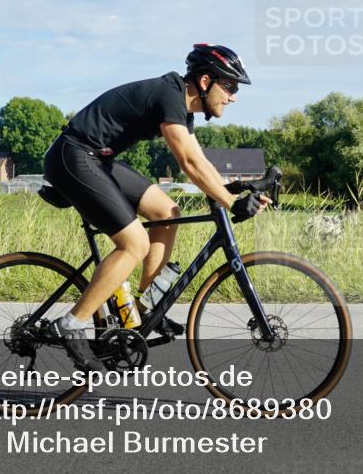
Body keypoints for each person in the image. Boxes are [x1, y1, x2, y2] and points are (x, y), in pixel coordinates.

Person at [42, 44, 271, 372]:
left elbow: (199, 159)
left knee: (168, 212)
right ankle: (71, 324)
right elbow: (188, 163)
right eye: (230, 87)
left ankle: (148, 306)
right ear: (206, 81)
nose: (233, 96)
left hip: (97, 160)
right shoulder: (169, 94)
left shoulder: (181, 106)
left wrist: (230, 189)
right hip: (73, 157)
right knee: (135, 243)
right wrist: (232, 202)